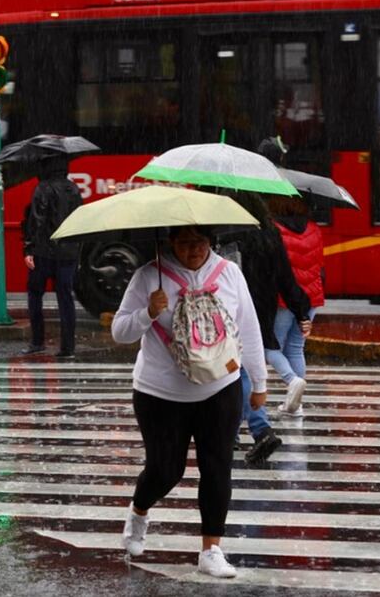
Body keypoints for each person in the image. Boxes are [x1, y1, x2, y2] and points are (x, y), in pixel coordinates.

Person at [111, 226, 265, 579]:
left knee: (217, 467)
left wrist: (259, 381)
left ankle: (211, 549)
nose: (193, 249)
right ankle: (139, 511)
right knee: (166, 470)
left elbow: (249, 328)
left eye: (200, 241)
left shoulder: (229, 273)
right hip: (160, 393)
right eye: (184, 242)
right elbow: (120, 331)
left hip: (221, 387)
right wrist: (148, 312)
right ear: (170, 242)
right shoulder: (148, 276)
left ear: (211, 241)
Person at [217, 189, 312, 466]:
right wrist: (300, 308)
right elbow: (286, 277)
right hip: (263, 309)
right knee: (240, 368)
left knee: (236, 370)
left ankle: (258, 429)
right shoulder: (270, 234)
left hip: (232, 309)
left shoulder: (227, 236)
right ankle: (239, 431)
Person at [266, 192, 325, 416]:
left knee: (270, 347)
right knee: (296, 347)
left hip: (284, 298)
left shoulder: (273, 230)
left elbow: (274, 268)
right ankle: (296, 405)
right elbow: (319, 264)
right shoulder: (314, 228)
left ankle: (292, 382)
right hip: (311, 297)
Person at [19, 156, 82, 358]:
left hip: (44, 252)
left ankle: (37, 341)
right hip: (69, 252)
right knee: (65, 298)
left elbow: (37, 220)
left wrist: (29, 248)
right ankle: (68, 347)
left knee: (35, 294)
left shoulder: (43, 188)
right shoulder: (73, 188)